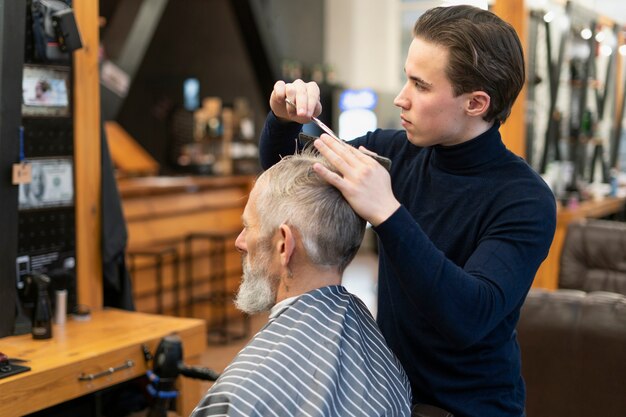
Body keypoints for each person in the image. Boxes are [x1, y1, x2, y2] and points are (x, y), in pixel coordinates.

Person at [258, 5, 557, 417]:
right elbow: (286, 176)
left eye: (420, 84)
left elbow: (468, 316)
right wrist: (283, 119)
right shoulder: (394, 152)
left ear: (476, 103)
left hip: (473, 408)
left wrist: (388, 212)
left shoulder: (525, 199)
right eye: (406, 77)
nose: (401, 98)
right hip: (391, 395)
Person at [190, 151, 412, 417]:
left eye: (248, 227)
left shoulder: (240, 397)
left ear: (284, 244)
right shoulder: (377, 347)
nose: (239, 242)